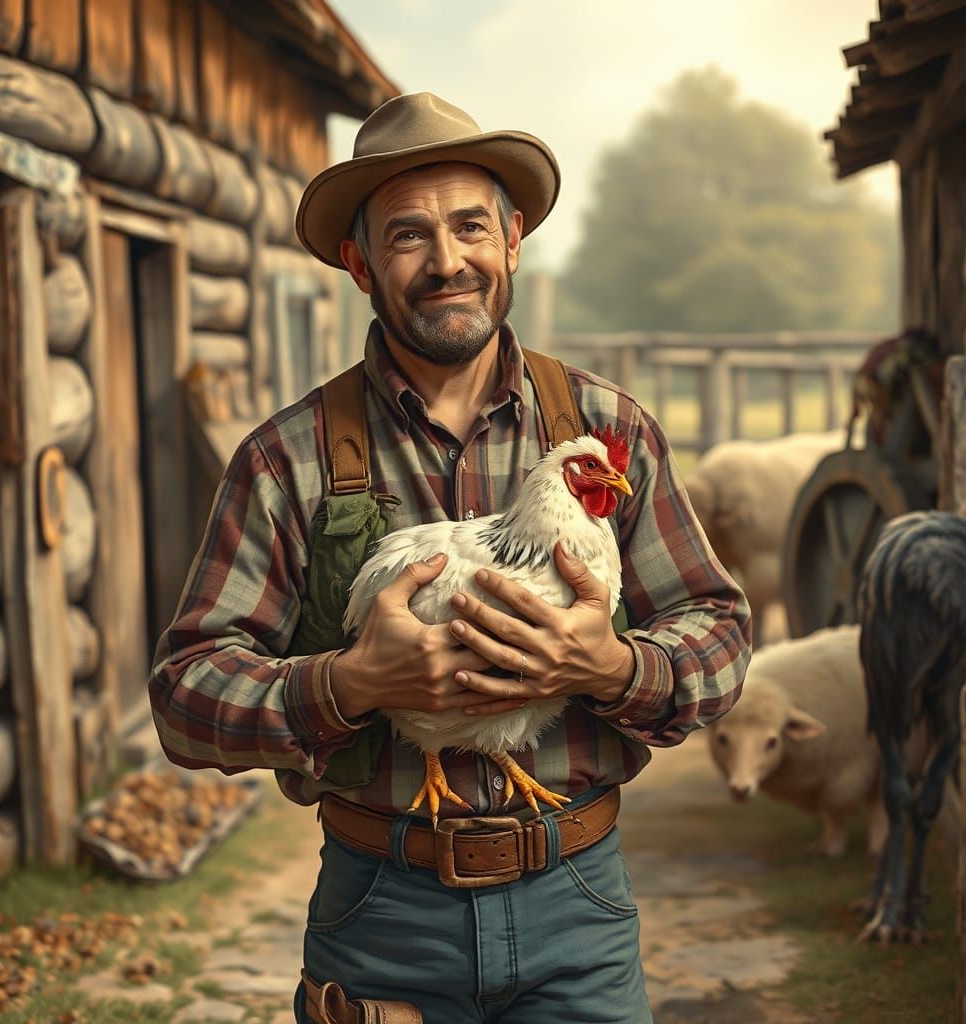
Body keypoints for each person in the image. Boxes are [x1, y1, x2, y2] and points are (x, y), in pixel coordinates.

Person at [149, 92, 751, 1023]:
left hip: (575, 905)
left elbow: (720, 639)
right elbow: (186, 698)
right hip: (382, 912)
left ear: (512, 238)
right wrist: (348, 685)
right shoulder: (286, 458)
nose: (447, 261)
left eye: (471, 226)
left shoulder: (607, 430)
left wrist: (612, 665)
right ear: (358, 264)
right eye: (406, 236)